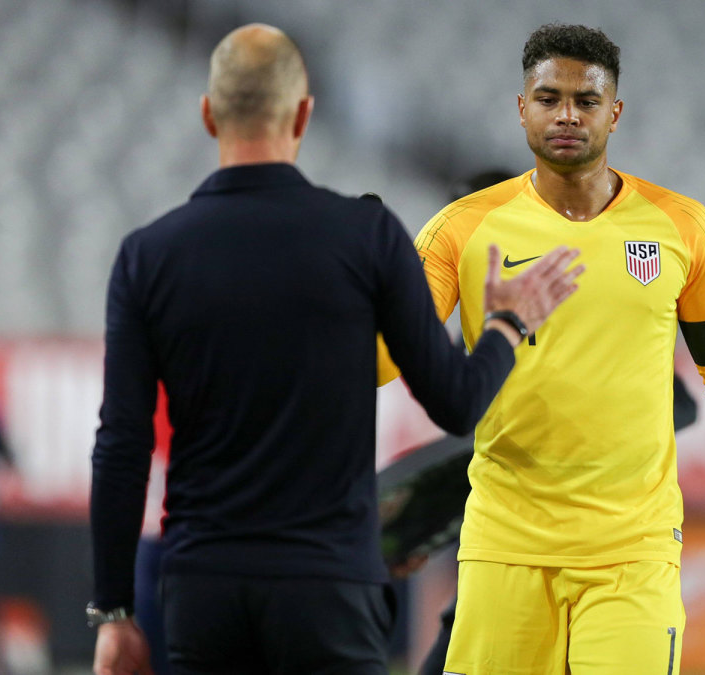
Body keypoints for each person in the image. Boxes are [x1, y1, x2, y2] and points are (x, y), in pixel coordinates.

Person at [88, 23, 583, 675]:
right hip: (329, 590)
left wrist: (114, 612)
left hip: (203, 585)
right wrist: (507, 325)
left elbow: (120, 445)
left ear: (209, 116)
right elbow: (458, 402)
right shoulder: (367, 237)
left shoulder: (146, 257)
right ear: (303, 114)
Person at [377, 24, 705, 674]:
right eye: (548, 96)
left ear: (614, 113)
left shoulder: (683, 230)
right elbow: (390, 357)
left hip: (631, 555)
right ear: (521, 107)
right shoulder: (461, 229)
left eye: (585, 101)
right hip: (505, 548)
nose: (566, 114)